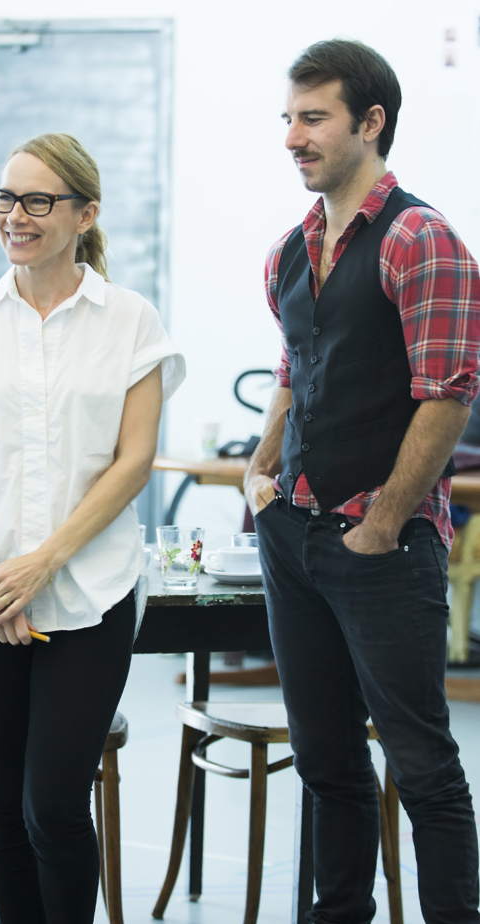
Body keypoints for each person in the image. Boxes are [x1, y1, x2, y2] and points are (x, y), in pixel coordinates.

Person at [0, 132, 185, 924]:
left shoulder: (131, 321)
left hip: (90, 596)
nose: (16, 216)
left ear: (85, 213)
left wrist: (41, 564)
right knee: (0, 808)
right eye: (6, 197)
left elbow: (134, 462)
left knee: (53, 808)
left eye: (38, 200)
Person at [244, 39, 480, 924]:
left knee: (421, 765)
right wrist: (262, 470)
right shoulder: (291, 250)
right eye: (289, 119)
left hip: (385, 548)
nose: (293, 137)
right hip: (295, 537)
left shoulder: (422, 240)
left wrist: (381, 523)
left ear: (370, 122)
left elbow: (449, 396)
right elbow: (295, 367)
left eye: (314, 118)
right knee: (327, 764)